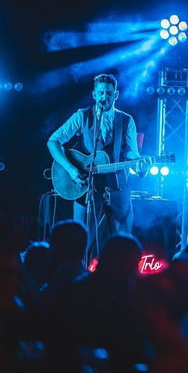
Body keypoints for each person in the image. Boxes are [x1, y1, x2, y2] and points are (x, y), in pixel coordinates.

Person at [47, 74, 149, 254]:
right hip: (86, 187)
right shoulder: (82, 115)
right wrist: (71, 170)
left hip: (117, 187)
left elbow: (133, 155)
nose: (104, 97)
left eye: (109, 93)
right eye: (100, 93)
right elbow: (53, 141)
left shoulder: (126, 120)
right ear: (94, 94)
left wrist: (141, 167)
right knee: (80, 242)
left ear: (116, 95)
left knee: (123, 242)